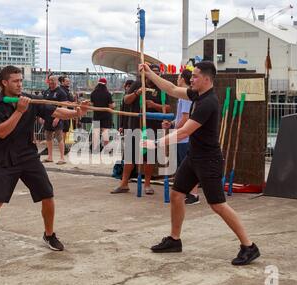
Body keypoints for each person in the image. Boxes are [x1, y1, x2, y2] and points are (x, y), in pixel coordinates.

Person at [141, 61, 260, 266]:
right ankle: (174, 240)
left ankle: (249, 246)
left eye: (195, 76)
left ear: (206, 79)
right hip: (194, 156)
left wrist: (156, 143)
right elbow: (170, 88)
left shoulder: (208, 103)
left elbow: (185, 131)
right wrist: (150, 73)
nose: (191, 79)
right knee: (177, 195)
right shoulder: (197, 95)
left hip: (209, 160)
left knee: (218, 205)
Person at [0, 66, 87, 259]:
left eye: (21, 80)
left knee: (48, 195)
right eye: (15, 81)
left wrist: (78, 112)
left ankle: (49, 235)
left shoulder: (30, 99)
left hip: (28, 156)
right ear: (4, 83)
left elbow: (56, 112)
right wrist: (19, 111)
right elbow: (1, 132)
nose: (20, 84)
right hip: (5, 159)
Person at [111, 64, 171, 195]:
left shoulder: (161, 88)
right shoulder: (138, 84)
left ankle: (147, 185)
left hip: (152, 128)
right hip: (135, 126)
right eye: (152, 72)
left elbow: (168, 107)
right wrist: (136, 93)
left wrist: (154, 105)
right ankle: (124, 184)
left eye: (157, 73)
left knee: (149, 158)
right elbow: (126, 100)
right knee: (130, 156)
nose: (155, 75)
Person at [162, 69, 200, 206]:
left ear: (182, 79)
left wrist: (174, 131)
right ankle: (188, 192)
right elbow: (180, 118)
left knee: (188, 167)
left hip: (184, 139)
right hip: (181, 137)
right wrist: (171, 124)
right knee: (182, 166)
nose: (177, 79)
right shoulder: (183, 96)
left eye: (178, 76)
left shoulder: (186, 96)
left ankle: (194, 194)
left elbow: (185, 118)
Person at [43, 76, 68, 164]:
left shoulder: (61, 92)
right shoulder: (46, 92)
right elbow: (43, 104)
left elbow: (64, 106)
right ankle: (50, 156)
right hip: (47, 118)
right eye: (49, 80)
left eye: (53, 80)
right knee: (48, 137)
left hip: (58, 118)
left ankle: (62, 158)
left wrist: (58, 118)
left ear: (57, 81)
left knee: (59, 138)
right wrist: (42, 117)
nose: (51, 82)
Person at [90, 78, 115, 151]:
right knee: (105, 132)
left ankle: (95, 148)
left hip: (96, 114)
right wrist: (114, 104)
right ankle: (107, 148)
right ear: (105, 84)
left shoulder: (93, 93)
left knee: (96, 132)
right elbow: (111, 106)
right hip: (106, 115)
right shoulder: (107, 94)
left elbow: (92, 104)